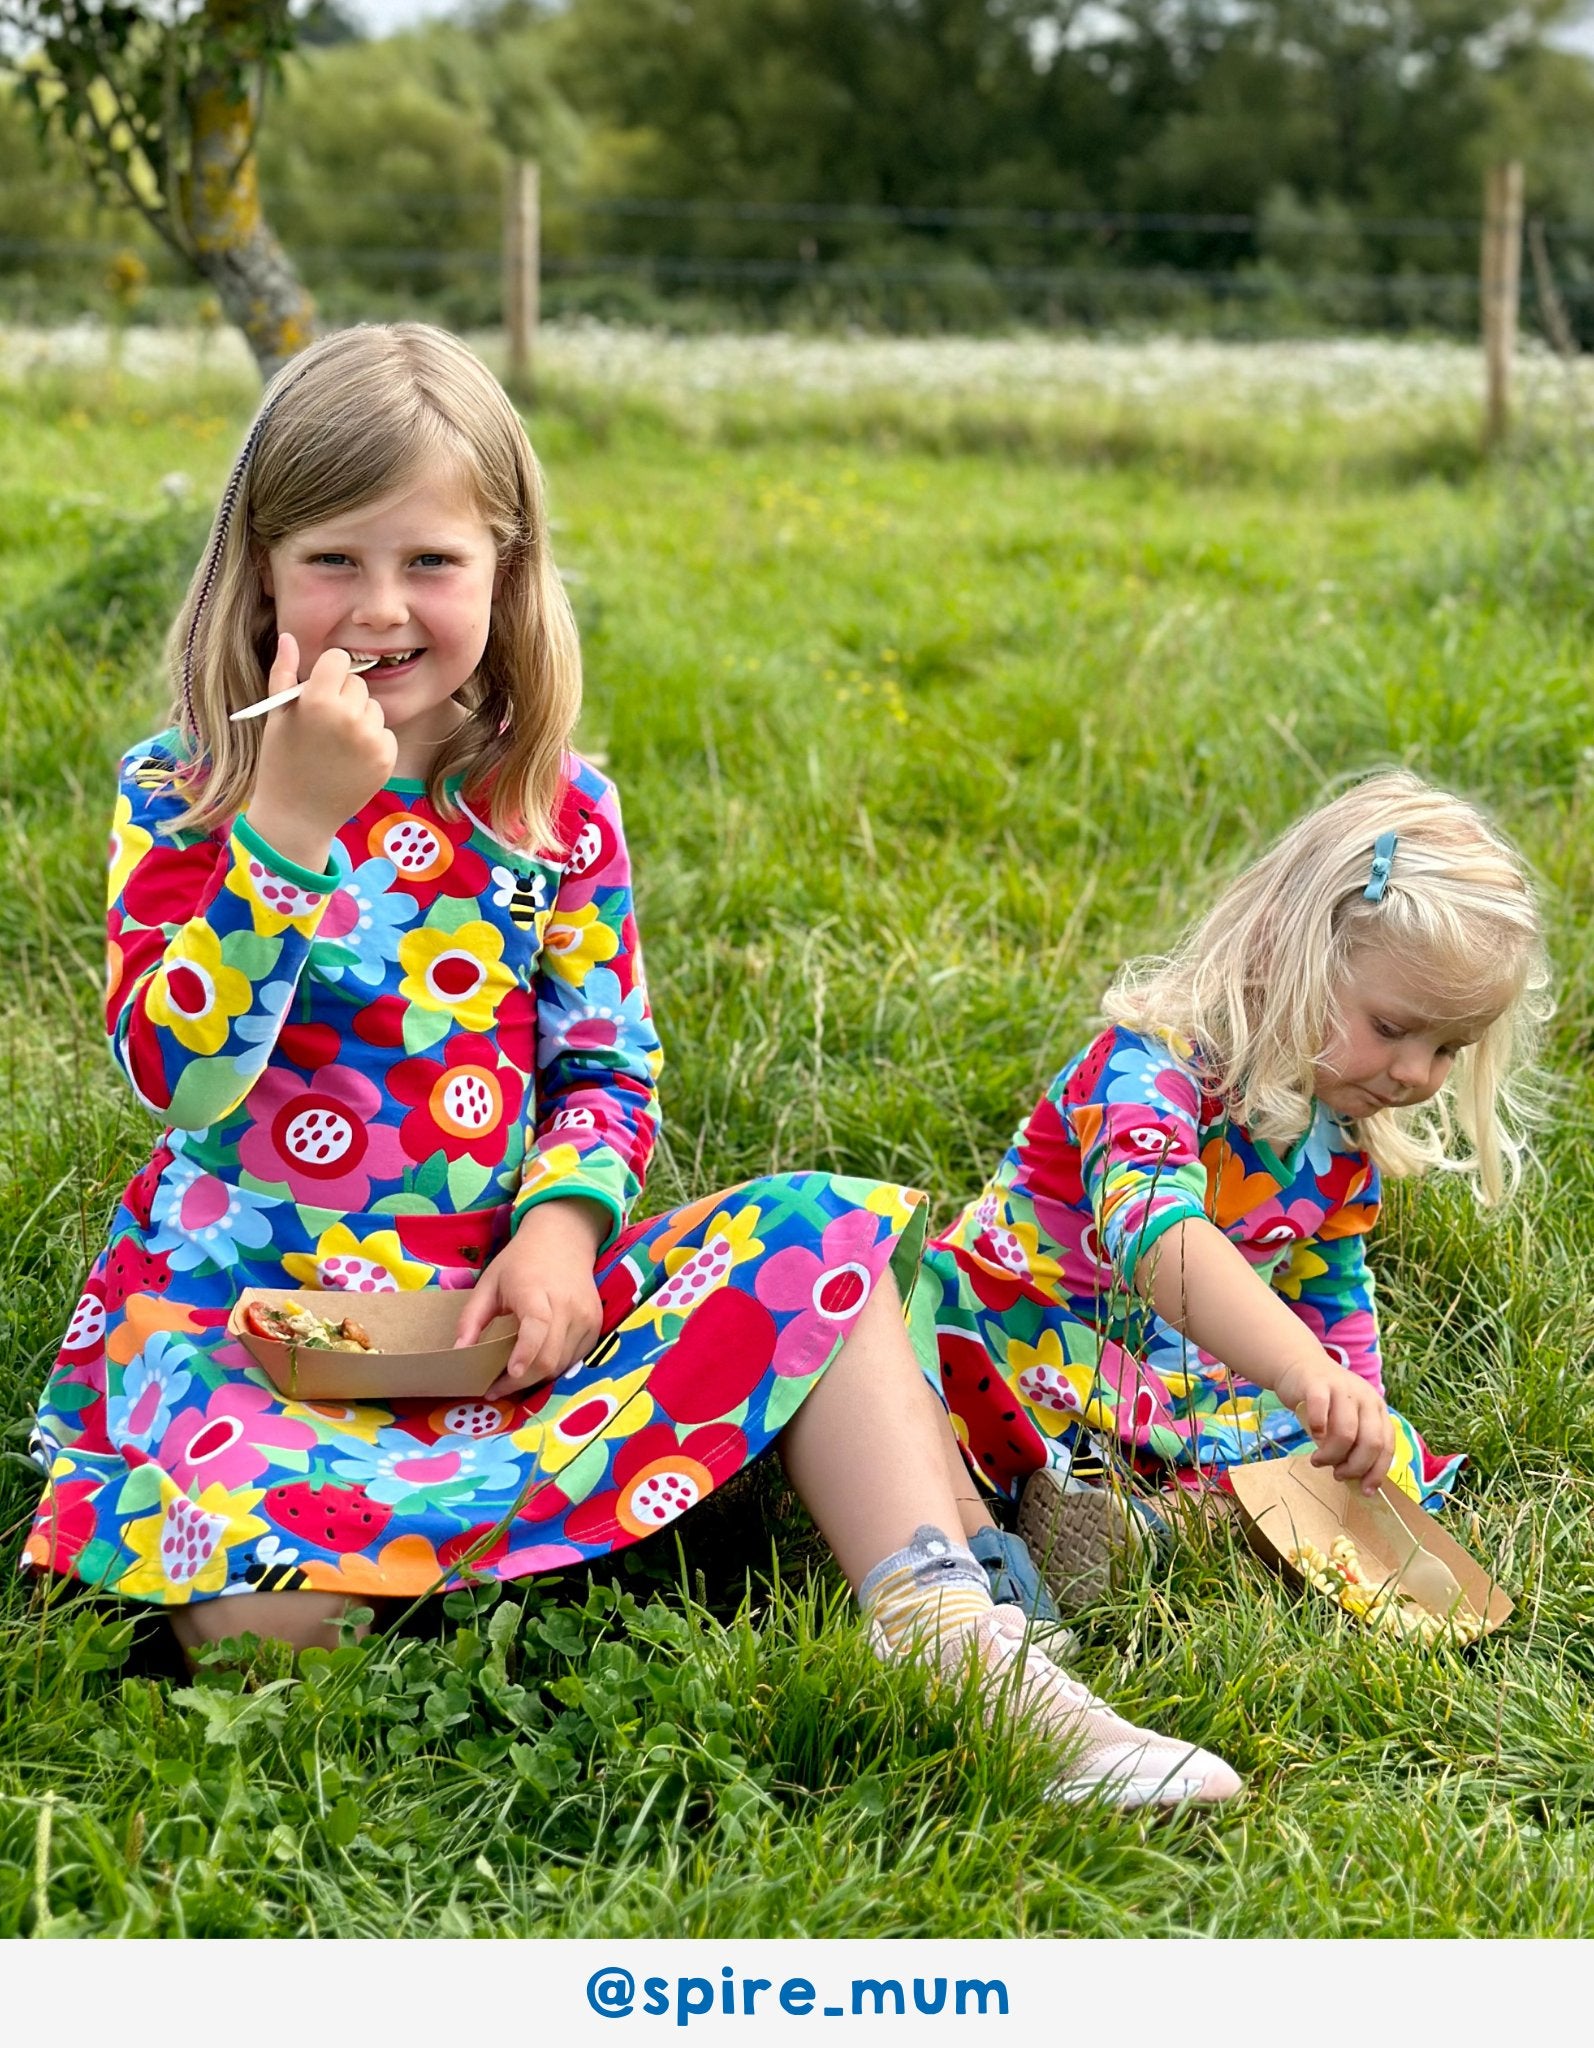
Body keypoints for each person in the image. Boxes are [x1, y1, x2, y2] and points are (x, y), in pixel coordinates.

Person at [23, 324, 1239, 1810]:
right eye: (333, 561)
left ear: (505, 568)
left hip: (508, 1307)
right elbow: (181, 1078)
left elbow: (603, 1067)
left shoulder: (553, 810)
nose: (381, 609)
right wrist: (284, 828)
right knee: (266, 1636)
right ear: (259, 569)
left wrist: (560, 1230)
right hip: (263, 1321)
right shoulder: (190, 786)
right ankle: (481, 1535)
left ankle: (952, 1634)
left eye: (433, 564)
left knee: (817, 1245)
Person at [920, 772, 1548, 1607]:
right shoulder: (1146, 1070)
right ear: (1286, 952)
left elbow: (1329, 1286)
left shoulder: (1336, 1129)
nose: (1413, 1074)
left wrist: (1351, 1406)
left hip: (1171, 1379)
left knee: (1382, 1450)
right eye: (1392, 1029)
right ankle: (991, 1535)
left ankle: (1149, 1529)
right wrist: (1300, 1373)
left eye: (1447, 1050)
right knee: (924, 1371)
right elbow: (1160, 1241)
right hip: (1024, 1330)